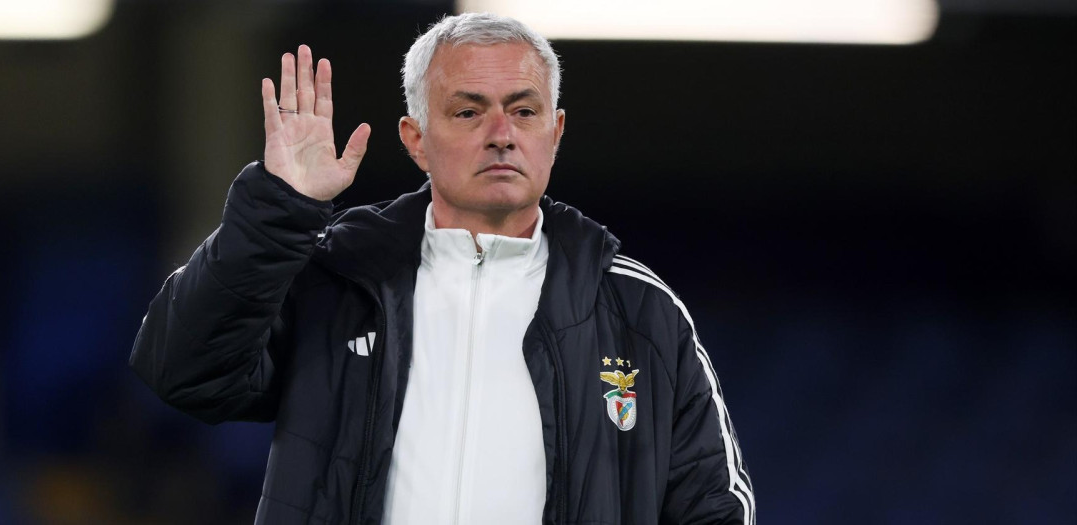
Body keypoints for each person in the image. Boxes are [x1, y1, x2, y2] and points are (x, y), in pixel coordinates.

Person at [130, 12, 754, 525]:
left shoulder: (638, 312)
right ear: (415, 139)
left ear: (555, 132)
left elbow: (713, 508)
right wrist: (278, 210)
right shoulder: (338, 279)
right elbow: (185, 372)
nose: (502, 134)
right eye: (468, 111)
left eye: (525, 111)